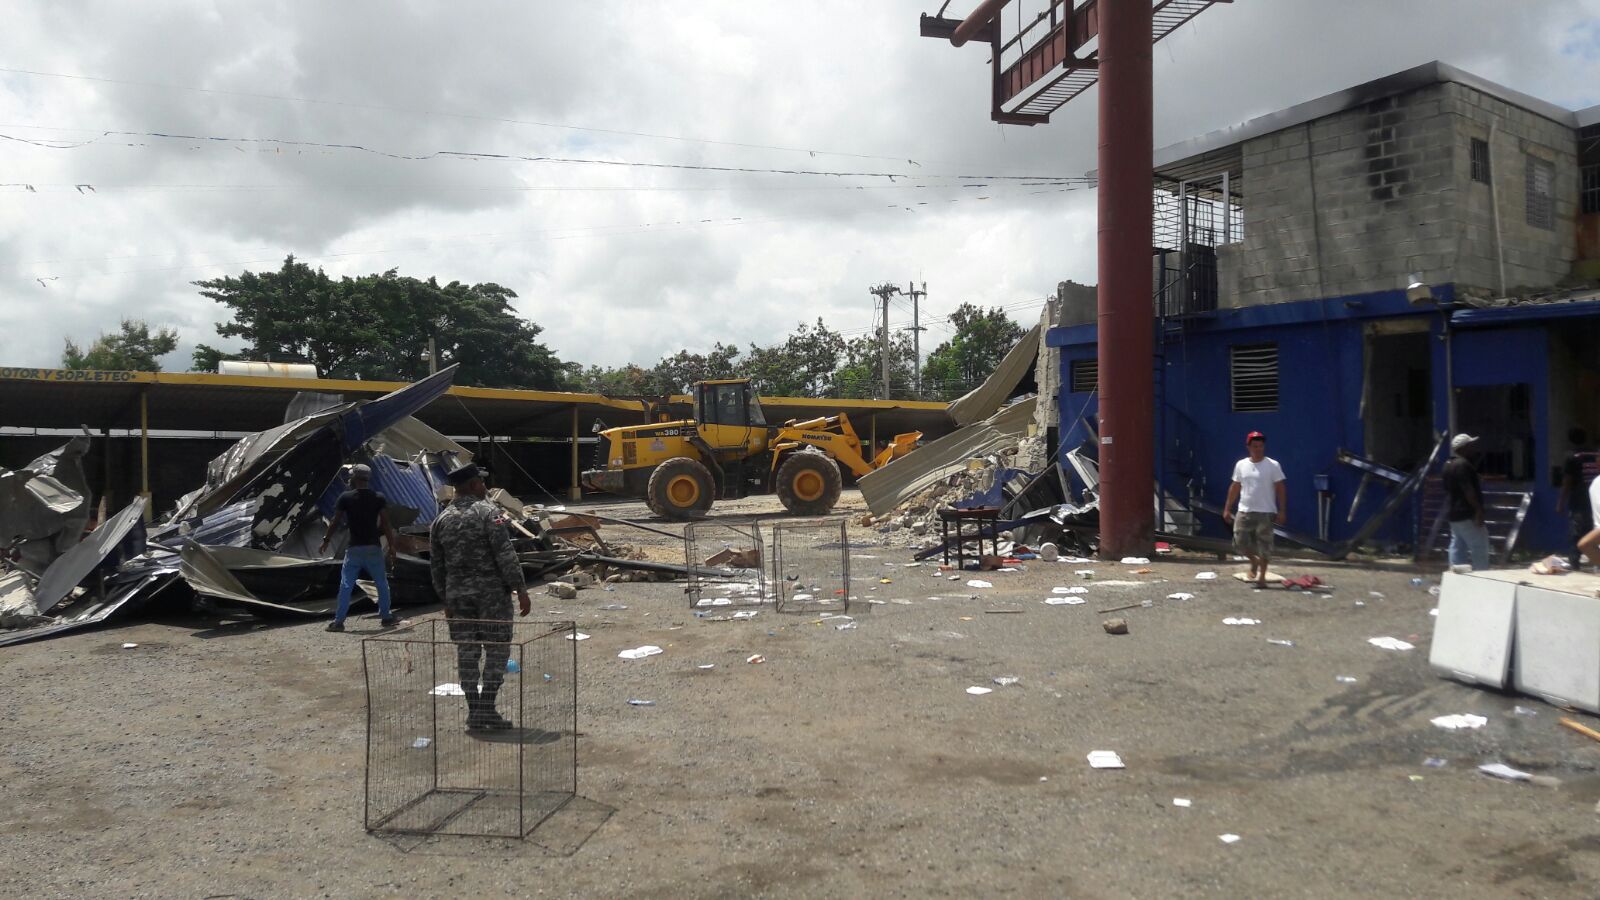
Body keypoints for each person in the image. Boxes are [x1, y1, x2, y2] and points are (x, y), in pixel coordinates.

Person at [429, 462, 531, 732]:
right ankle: (485, 708)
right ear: (473, 485)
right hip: (491, 597)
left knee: (467, 650)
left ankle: (474, 709)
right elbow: (505, 554)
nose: (485, 487)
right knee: (497, 649)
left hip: (458, 597)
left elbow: (436, 565)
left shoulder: (440, 520)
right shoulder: (488, 513)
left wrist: (445, 600)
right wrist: (520, 589)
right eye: (482, 482)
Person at [321, 463, 399, 632]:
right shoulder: (378, 497)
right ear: (367, 479)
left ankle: (339, 622)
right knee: (381, 583)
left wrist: (326, 540)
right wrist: (392, 546)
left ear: (354, 478)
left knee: (346, 585)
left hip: (354, 549)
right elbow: (386, 524)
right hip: (373, 548)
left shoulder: (345, 497)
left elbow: (335, 521)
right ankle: (386, 618)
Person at [1223, 431, 1286, 589]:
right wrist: (1227, 508)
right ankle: (1253, 561)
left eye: (1260, 446)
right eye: (1255, 446)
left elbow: (1280, 488)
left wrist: (1282, 510)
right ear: (1248, 447)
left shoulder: (1273, 465)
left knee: (1265, 545)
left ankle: (1262, 578)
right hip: (1245, 510)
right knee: (1239, 541)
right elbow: (1235, 487)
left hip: (1266, 512)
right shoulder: (1241, 465)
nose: (1258, 449)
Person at [1442, 433, 1491, 571]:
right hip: (1467, 513)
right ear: (1464, 448)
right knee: (1479, 546)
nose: (1473, 448)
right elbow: (1468, 490)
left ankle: (1456, 575)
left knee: (1458, 546)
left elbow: (1449, 489)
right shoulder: (1463, 465)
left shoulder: (1447, 465)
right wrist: (1478, 510)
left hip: (1453, 514)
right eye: (1470, 445)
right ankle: (1482, 576)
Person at [1557, 428, 1593, 570]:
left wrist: (1560, 503)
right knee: (1594, 531)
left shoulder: (1572, 458)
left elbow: (1567, 482)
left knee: (1576, 533)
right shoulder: (1594, 454)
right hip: (1595, 500)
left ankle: (1575, 562)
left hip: (1579, 502)